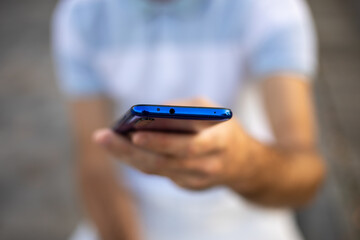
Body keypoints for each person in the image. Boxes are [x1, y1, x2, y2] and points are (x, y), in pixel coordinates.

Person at [52, 0, 325, 240]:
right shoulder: (81, 12)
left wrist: (241, 163)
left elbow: (305, 171)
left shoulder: (270, 8)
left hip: (245, 213)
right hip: (132, 209)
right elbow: (94, 163)